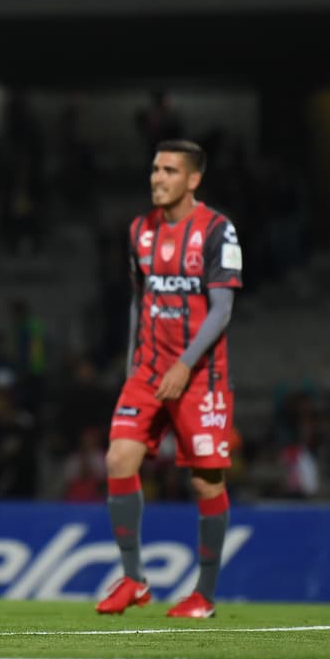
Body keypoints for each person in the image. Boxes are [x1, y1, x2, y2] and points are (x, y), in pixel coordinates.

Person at [97, 140, 242, 620]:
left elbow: (221, 309)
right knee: (119, 457)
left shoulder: (219, 231)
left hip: (200, 376)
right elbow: (140, 300)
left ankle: (204, 594)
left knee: (205, 482)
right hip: (148, 371)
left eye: (170, 171)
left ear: (193, 179)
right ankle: (135, 580)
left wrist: (185, 363)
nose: (157, 178)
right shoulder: (139, 231)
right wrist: (131, 365)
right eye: (155, 168)